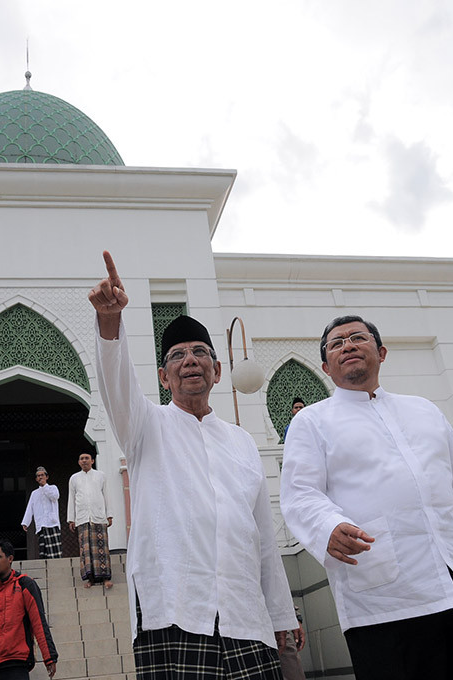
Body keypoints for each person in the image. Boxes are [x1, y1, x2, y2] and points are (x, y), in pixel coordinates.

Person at [280, 315, 453, 680]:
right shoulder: (311, 422)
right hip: (389, 600)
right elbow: (300, 494)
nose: (348, 346)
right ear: (326, 365)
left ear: (381, 352)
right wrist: (329, 526)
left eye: (358, 337)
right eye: (336, 344)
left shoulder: (424, 411)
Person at [89, 250, 299, 679]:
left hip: (246, 618)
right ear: (164, 377)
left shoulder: (241, 443)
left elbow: (262, 539)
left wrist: (280, 615)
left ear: (217, 371)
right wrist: (110, 323)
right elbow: (116, 382)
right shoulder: (146, 426)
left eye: (200, 352)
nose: (190, 360)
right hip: (175, 613)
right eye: (178, 355)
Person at [0, 539, 58, 679]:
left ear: (10, 559)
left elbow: (38, 621)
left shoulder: (25, 584)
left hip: (15, 664)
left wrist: (49, 656)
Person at [67, 451, 113, 588]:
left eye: (87, 458)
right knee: (86, 551)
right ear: (78, 462)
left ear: (92, 461)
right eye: (81, 459)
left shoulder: (100, 476)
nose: (84, 461)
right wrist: (71, 519)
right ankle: (90, 579)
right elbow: (71, 499)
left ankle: (105, 579)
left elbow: (106, 495)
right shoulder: (74, 478)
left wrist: (109, 514)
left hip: (98, 517)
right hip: (82, 519)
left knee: (102, 549)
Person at [21, 466, 62, 559]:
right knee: (44, 552)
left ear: (46, 477)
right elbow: (29, 508)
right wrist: (25, 522)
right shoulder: (34, 493)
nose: (40, 477)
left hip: (52, 523)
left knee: (55, 552)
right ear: (36, 479)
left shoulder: (53, 488)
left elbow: (54, 497)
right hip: (41, 524)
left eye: (42, 475)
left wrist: (45, 487)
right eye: (38, 476)